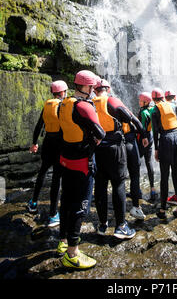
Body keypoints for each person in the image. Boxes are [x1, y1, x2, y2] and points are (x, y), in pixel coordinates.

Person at [58, 70, 106, 270]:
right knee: (80, 206)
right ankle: (72, 253)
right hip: (82, 164)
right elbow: (100, 132)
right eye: (92, 87)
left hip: (66, 160)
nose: (94, 90)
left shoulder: (64, 103)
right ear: (85, 87)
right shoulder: (84, 107)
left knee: (66, 201)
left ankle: (62, 241)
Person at [93, 77, 149, 238]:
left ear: (94, 90)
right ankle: (120, 226)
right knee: (118, 184)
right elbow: (127, 116)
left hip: (98, 148)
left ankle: (102, 224)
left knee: (101, 186)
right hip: (114, 147)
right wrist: (142, 134)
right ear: (108, 89)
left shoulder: (90, 103)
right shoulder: (111, 101)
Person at [27, 80, 68, 227]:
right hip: (59, 145)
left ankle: (33, 203)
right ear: (62, 92)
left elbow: (39, 125)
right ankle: (53, 215)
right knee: (56, 179)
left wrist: (34, 143)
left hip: (47, 143)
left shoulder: (47, 105)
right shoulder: (62, 106)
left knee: (42, 172)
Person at [151, 88, 177, 220]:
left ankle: (162, 209)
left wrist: (156, 149)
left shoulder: (154, 110)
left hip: (165, 140)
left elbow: (155, 132)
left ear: (153, 100)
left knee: (164, 176)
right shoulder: (175, 105)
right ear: (163, 97)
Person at [137, 92, 157, 202]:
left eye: (140, 100)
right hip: (150, 137)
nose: (139, 102)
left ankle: (137, 190)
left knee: (136, 162)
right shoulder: (152, 109)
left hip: (142, 138)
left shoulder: (143, 112)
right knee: (149, 162)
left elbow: (142, 127)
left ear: (145, 102)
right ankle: (152, 189)